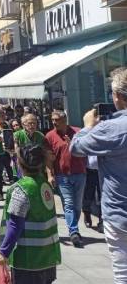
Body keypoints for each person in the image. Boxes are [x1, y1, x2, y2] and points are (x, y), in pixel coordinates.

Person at [70, 67, 127, 283]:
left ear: (117, 97)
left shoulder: (111, 128)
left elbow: (76, 148)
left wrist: (87, 126)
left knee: (123, 272)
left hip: (119, 212)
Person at [0, 145, 61, 284]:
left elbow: (15, 224)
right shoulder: (45, 185)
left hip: (28, 260)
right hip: (48, 256)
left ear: (20, 163)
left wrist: (3, 251)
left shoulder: (21, 189)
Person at [45, 110, 87, 248]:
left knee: (77, 206)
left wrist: (73, 145)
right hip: (62, 175)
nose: (54, 122)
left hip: (79, 173)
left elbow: (86, 152)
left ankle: (73, 228)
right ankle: (74, 232)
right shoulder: (50, 136)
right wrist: (50, 175)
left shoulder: (77, 132)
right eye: (53, 120)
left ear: (65, 120)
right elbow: (49, 159)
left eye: (56, 120)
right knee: (68, 204)